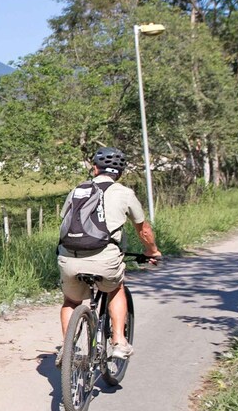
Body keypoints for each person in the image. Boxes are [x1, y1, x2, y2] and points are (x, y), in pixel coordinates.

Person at [56, 147, 161, 366]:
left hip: (69, 258)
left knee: (72, 300)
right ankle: (119, 341)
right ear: (120, 173)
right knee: (115, 288)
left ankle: (67, 350)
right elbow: (143, 230)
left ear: (95, 169)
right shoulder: (124, 193)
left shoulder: (77, 190)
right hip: (104, 259)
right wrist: (152, 251)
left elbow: (65, 221)